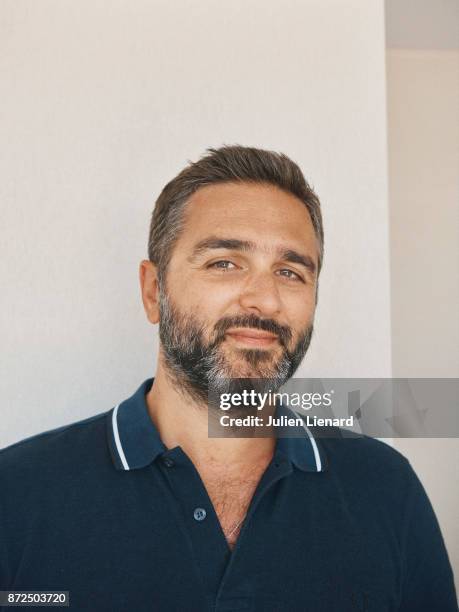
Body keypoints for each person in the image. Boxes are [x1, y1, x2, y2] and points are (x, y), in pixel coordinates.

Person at [0, 146, 457, 611]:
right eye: (225, 263)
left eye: (290, 271)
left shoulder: (385, 490)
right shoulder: (16, 494)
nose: (265, 299)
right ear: (153, 290)